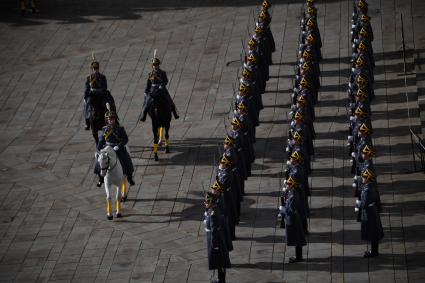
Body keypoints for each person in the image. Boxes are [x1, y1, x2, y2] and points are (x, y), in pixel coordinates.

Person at [97, 109, 135, 187]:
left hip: (117, 147)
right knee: (100, 161)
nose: (111, 121)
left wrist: (118, 146)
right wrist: (99, 147)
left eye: (112, 119)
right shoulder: (104, 129)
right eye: (109, 119)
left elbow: (125, 139)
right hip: (107, 147)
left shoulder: (120, 128)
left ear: (115, 119)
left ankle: (130, 177)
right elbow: (101, 140)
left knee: (127, 160)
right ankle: (100, 179)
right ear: (107, 120)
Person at [204, 192, 231, 283]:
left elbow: (214, 231)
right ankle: (220, 279)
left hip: (217, 242)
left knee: (220, 262)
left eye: (207, 202)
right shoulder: (214, 210)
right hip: (220, 240)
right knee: (220, 262)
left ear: (211, 202)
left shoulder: (213, 215)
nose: (205, 203)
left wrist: (214, 245)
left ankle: (221, 280)